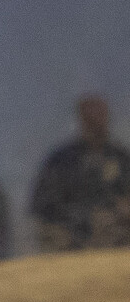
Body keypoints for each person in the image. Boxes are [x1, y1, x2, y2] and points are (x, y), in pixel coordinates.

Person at [31, 95, 130, 253]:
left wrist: (116, 214)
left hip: (117, 253)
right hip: (71, 253)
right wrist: (84, 220)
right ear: (81, 120)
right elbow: (43, 209)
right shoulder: (62, 162)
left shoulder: (120, 159)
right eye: (91, 119)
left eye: (100, 115)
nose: (97, 123)